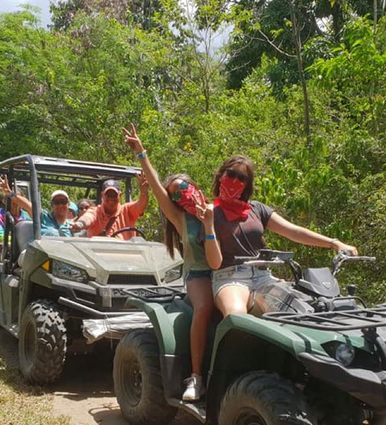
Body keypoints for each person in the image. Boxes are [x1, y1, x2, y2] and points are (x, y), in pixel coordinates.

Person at [124, 123, 221, 401]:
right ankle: (196, 377)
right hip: (199, 275)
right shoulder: (181, 219)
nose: (182, 195)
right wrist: (141, 152)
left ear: (194, 186)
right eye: (176, 194)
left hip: (226, 272)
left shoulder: (215, 209)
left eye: (184, 188)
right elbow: (156, 187)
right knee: (203, 308)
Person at [210, 156, 358, 317]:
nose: (235, 181)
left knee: (303, 310)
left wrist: (334, 243)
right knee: (236, 316)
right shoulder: (210, 213)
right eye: (231, 174)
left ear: (247, 184)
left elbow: (293, 231)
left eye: (241, 178)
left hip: (263, 277)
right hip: (230, 277)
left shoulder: (257, 209)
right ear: (221, 175)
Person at [70, 177, 149, 240]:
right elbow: (88, 218)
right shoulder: (95, 211)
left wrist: (144, 193)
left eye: (114, 195)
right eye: (108, 195)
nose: (111, 198)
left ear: (120, 195)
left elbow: (140, 206)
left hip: (125, 255)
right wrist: (80, 224)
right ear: (102, 195)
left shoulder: (127, 210)